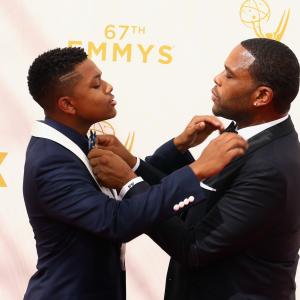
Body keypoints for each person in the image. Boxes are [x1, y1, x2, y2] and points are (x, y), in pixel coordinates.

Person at [23, 47, 247, 300]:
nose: (108, 87)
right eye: (96, 85)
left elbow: (116, 184)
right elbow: (115, 221)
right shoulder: (52, 162)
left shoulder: (72, 143)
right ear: (67, 104)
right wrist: (195, 171)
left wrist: (177, 147)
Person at [89, 38, 300, 299]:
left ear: (261, 96)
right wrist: (135, 165)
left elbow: (196, 247)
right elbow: (193, 206)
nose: (217, 78)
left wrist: (129, 183)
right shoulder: (242, 134)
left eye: (229, 75)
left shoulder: (271, 167)